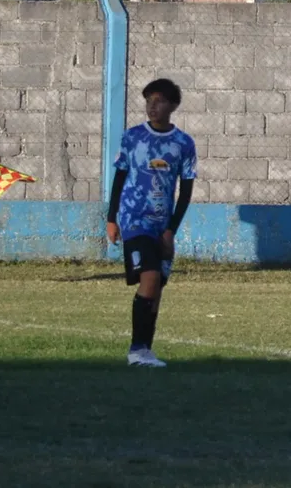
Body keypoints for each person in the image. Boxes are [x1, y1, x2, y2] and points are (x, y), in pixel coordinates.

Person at [107, 79, 196, 367]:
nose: (152, 107)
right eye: (148, 101)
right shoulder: (133, 137)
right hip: (134, 219)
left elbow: (186, 192)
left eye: (158, 101)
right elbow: (120, 177)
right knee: (150, 277)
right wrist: (111, 218)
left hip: (162, 224)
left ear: (173, 105)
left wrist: (171, 230)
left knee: (157, 287)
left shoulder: (183, 143)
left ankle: (145, 351)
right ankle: (136, 351)